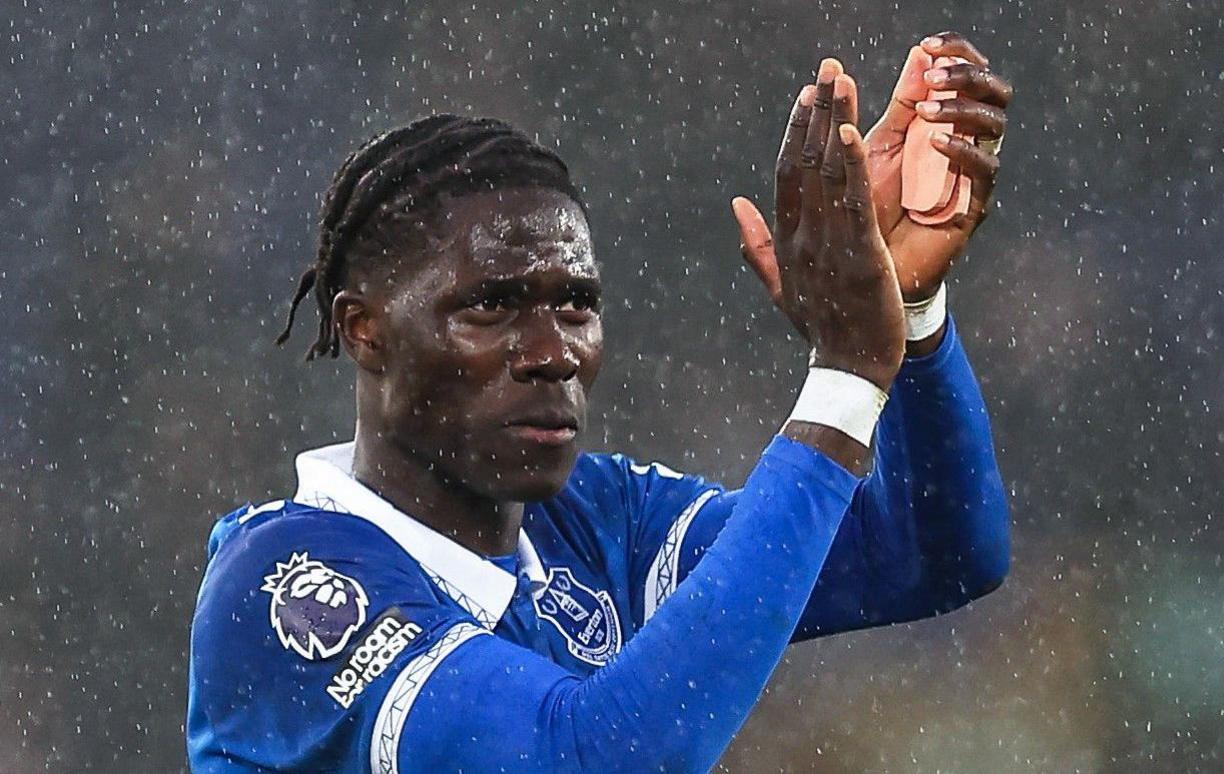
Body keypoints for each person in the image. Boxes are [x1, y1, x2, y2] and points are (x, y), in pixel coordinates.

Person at [187, 32, 1013, 773]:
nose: (552, 353)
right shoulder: (287, 587)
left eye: (576, 304)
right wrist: (845, 373)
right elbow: (596, 759)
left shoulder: (598, 523)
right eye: (491, 307)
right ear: (365, 331)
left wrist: (907, 316)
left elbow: (933, 550)